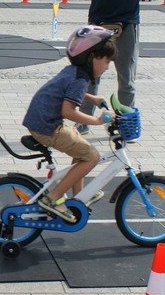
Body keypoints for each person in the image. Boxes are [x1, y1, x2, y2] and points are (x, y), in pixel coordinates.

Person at [23, 26, 116, 222]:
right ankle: (53, 197)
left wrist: (93, 99)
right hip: (48, 127)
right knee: (92, 156)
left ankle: (79, 194)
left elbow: (66, 91)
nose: (107, 67)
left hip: (41, 121)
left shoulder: (74, 71)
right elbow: (68, 111)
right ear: (92, 57)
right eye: (106, 61)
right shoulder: (80, 79)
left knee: (81, 149)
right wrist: (97, 121)